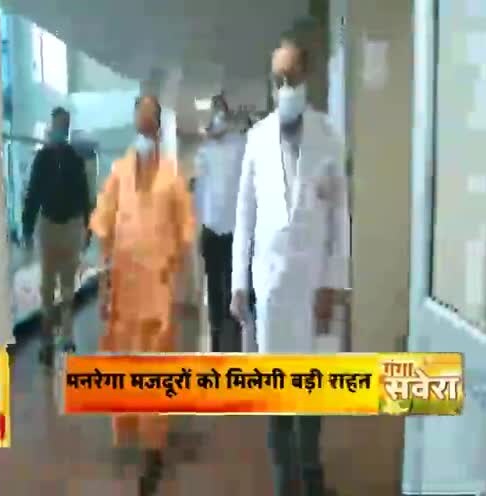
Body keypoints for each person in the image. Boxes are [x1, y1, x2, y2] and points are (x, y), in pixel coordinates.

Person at [230, 38, 348, 495]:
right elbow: (244, 215)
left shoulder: (329, 137)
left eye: (292, 77)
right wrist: (239, 283)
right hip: (271, 288)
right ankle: (286, 483)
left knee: (312, 393)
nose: (285, 86)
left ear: (307, 77)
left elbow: (340, 217)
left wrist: (334, 283)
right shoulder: (256, 138)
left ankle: (312, 477)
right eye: (278, 79)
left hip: (314, 285)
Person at [90, 95, 195, 496]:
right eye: (141, 120)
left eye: (152, 122)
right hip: (124, 290)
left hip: (158, 291)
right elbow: (104, 228)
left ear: (159, 127)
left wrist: (177, 277)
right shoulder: (118, 173)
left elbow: (186, 230)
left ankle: (153, 449)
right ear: (135, 122)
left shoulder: (172, 176)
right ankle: (135, 434)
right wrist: (104, 285)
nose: (146, 127)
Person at [22, 107, 91, 366]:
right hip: (49, 225)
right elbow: (33, 194)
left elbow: (84, 196)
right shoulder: (42, 159)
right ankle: (47, 339)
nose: (59, 130)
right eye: (57, 125)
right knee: (48, 287)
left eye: (63, 125)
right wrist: (27, 227)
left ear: (67, 128)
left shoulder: (75, 159)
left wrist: (88, 227)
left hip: (71, 226)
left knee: (68, 287)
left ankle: (67, 336)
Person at [194, 94, 246, 352]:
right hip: (211, 229)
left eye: (221, 111)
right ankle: (216, 339)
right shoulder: (204, 151)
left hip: (235, 229)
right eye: (214, 112)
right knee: (214, 286)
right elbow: (200, 192)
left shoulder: (241, 145)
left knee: (233, 286)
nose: (217, 117)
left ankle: (234, 339)